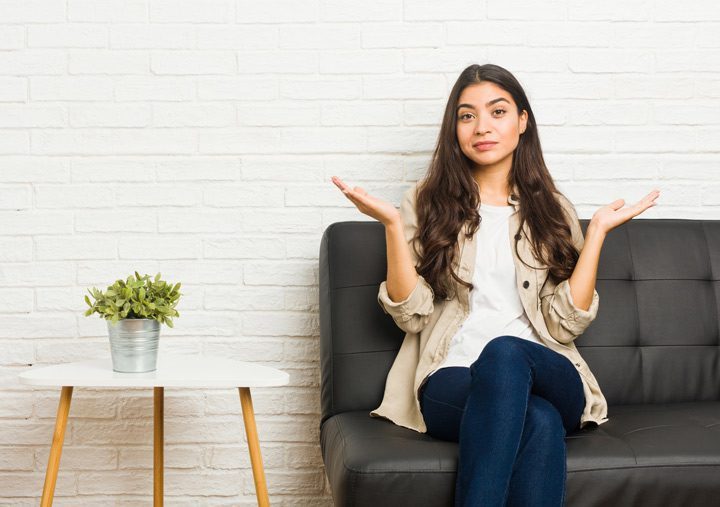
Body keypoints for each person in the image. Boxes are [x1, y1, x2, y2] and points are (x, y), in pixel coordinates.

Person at [331, 63, 660, 507]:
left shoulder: (553, 209)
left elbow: (564, 326)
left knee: (505, 352)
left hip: (548, 372)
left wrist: (597, 231)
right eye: (467, 116)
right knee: (538, 421)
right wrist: (392, 224)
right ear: (455, 128)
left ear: (522, 121)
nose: (481, 127)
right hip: (451, 377)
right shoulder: (426, 202)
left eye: (497, 112)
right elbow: (411, 315)